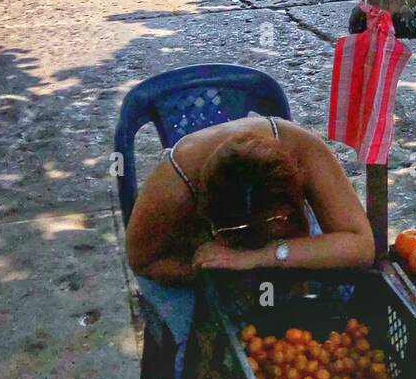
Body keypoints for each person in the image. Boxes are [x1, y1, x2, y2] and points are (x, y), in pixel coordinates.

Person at [125, 116, 375, 285]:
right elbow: (142, 262)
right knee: (197, 344)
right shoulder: (173, 188)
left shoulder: (303, 150)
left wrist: (264, 256)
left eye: (277, 222)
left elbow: (361, 246)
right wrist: (208, 269)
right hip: (191, 252)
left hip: (263, 246)